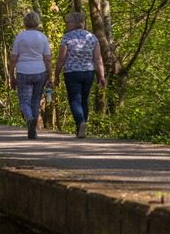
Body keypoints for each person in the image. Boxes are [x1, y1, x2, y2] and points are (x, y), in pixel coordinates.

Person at [54, 12, 106, 138]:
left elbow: (61, 58)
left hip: (72, 73)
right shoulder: (92, 37)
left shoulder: (67, 37)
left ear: (75, 23)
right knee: (84, 100)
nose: (66, 25)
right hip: (89, 72)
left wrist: (56, 75)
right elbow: (98, 59)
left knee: (74, 99)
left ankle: (81, 122)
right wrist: (101, 76)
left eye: (68, 22)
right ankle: (81, 129)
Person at [9, 11, 53, 139]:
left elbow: (13, 58)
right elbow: (48, 59)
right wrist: (50, 76)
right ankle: (32, 128)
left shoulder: (20, 37)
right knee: (35, 101)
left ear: (25, 22)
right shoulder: (42, 37)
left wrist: (11, 76)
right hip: (40, 72)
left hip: (24, 72)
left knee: (24, 100)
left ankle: (29, 119)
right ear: (38, 22)